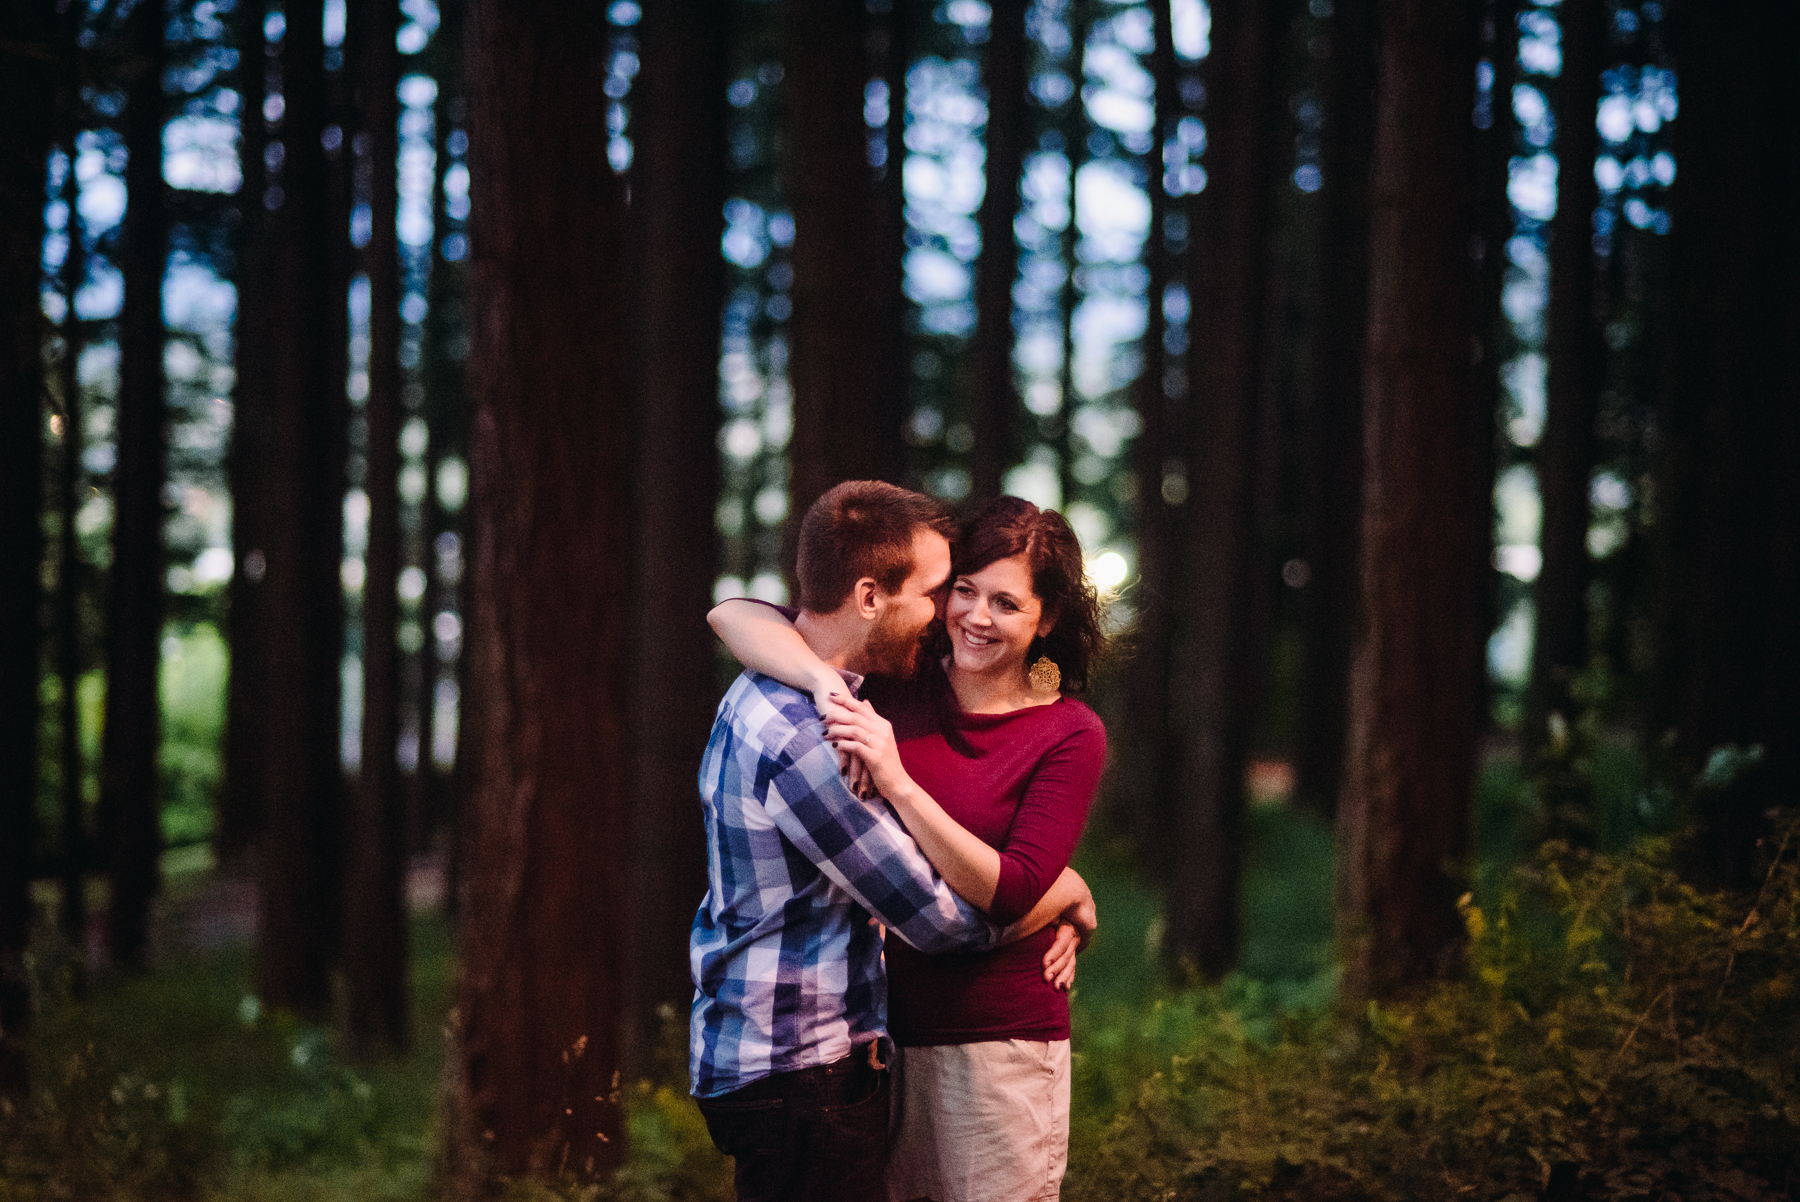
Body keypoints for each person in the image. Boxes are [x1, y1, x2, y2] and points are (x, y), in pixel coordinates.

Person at [690, 481, 1095, 1202]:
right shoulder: (879, 692)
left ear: (1047, 619)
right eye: (958, 590)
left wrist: (1050, 882)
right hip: (849, 1048)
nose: (965, 615)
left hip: (989, 1041)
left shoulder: (1066, 732)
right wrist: (1066, 890)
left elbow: (1010, 887)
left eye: (1006, 602)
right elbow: (733, 612)